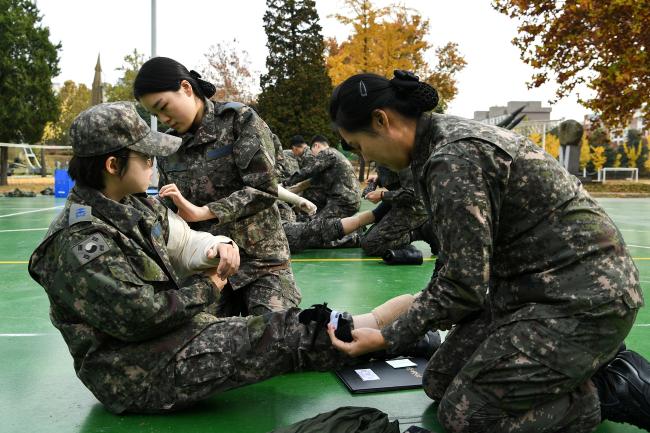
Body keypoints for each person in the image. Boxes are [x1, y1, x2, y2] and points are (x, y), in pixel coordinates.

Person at [28, 102, 424, 415]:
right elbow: (140, 316)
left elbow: (181, 241)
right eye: (145, 157)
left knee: (269, 325)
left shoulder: (131, 205)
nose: (153, 164)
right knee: (274, 337)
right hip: (136, 374)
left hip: (167, 336)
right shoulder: (79, 242)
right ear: (113, 165)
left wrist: (215, 246)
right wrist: (209, 285)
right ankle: (388, 332)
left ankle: (381, 328)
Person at [327, 70, 649, 432]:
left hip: (584, 300)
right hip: (528, 291)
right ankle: (578, 362)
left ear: (381, 120)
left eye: (355, 146)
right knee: (439, 380)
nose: (363, 157)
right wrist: (397, 323)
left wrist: (387, 335)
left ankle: (606, 389)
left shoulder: (453, 159)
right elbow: (455, 268)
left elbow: (463, 287)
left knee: (468, 417)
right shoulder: (433, 147)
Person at [133, 57, 300, 316]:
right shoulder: (170, 147)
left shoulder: (238, 120)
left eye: (164, 106)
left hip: (261, 263)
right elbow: (170, 212)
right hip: (209, 267)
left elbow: (264, 189)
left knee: (277, 336)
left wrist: (205, 212)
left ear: (186, 88)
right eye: (156, 115)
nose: (164, 118)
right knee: (199, 344)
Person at [285, 135, 361, 220]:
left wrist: (285, 183)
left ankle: (356, 230)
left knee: (316, 224)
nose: (313, 155)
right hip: (349, 200)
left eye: (312, 151)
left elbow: (307, 171)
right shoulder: (334, 154)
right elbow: (313, 181)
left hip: (343, 201)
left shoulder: (327, 153)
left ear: (316, 145)